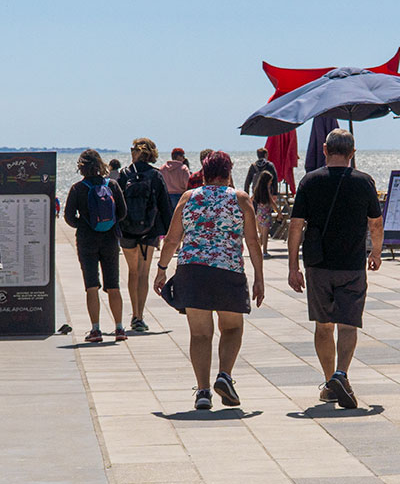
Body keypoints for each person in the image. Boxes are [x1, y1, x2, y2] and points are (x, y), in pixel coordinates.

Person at [153, 151, 264, 409]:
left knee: (200, 334)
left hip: (192, 272)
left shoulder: (188, 198)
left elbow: (172, 239)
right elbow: (253, 241)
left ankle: (203, 392)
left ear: (203, 173)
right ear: (228, 172)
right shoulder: (240, 199)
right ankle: (224, 375)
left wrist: (161, 269)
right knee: (232, 328)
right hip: (228, 271)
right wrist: (259, 278)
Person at [287, 129, 382, 410]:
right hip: (352, 264)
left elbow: (295, 226)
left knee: (323, 324)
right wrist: (376, 252)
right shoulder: (364, 182)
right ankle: (341, 374)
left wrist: (292, 266)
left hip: (318, 265)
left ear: (325, 149)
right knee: (348, 323)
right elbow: (375, 223)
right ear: (352, 153)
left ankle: (330, 382)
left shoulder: (309, 181)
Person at [63, 149, 127, 342]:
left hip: (86, 240)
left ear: (81, 167)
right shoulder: (112, 185)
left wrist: (84, 224)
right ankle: (119, 328)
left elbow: (68, 217)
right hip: (110, 239)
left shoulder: (77, 188)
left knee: (91, 286)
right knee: (113, 285)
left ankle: (96, 330)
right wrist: (109, 223)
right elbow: (122, 212)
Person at [116, 138, 172, 334]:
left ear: (136, 152)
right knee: (143, 273)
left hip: (127, 231)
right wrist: (171, 233)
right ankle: (140, 317)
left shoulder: (124, 174)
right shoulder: (155, 175)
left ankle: (134, 314)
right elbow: (165, 206)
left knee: (132, 272)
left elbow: (117, 204)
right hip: (149, 231)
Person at [251, 170, 279, 258]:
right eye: (270, 181)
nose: (271, 183)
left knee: (262, 234)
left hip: (259, 213)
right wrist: (279, 212)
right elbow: (272, 202)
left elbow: (251, 199)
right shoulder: (266, 190)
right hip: (266, 214)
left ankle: (257, 250)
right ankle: (264, 251)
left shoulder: (257, 189)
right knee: (265, 234)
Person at [159, 147, 191, 212]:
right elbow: (188, 184)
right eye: (182, 156)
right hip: (181, 196)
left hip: (167, 196)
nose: (184, 158)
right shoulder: (183, 168)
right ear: (178, 156)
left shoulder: (163, 168)